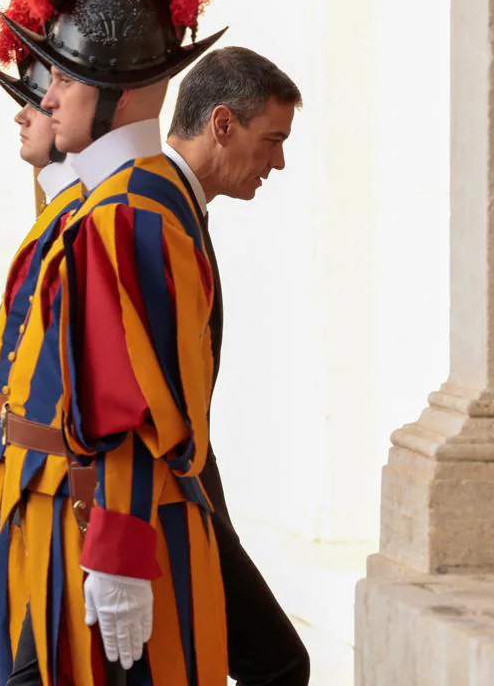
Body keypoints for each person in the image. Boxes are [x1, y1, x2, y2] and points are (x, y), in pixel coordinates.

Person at [0, 0, 227, 684]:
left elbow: (133, 399)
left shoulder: (131, 211)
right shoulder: (113, 200)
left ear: (118, 90)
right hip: (61, 505)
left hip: (100, 517)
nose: (47, 96)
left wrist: (121, 552)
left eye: (65, 77)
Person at [164, 46, 310, 685]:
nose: (278, 161)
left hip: (187, 482)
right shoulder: (152, 209)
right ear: (222, 123)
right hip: (162, 490)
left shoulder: (175, 206)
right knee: (277, 664)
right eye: (271, 139)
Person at [0, 0, 85, 685]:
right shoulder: (59, 208)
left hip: (45, 480)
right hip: (9, 470)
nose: (22, 112)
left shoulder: (86, 214)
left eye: (38, 97)